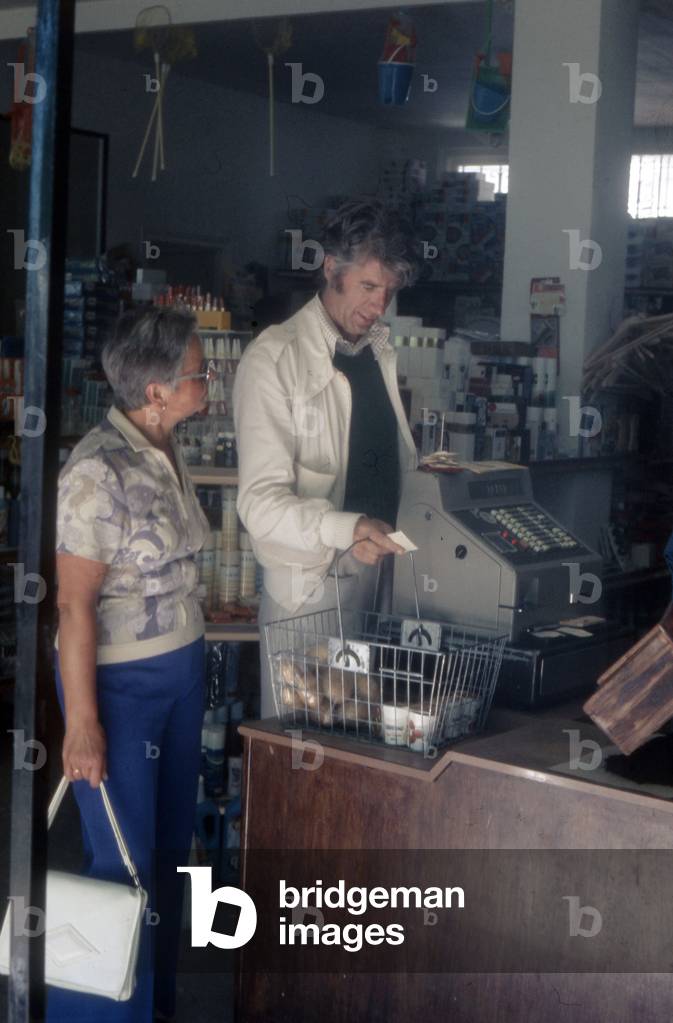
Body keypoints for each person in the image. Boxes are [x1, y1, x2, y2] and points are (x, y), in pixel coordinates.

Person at [50, 307, 213, 1023]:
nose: (209, 379)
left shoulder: (166, 446)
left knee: (170, 860)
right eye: (199, 371)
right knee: (126, 867)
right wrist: (82, 724)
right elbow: (74, 607)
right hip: (120, 688)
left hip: (180, 673)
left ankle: (157, 1008)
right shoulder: (95, 470)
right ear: (155, 389)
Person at [234, 198, 420, 718]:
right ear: (331, 269)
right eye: (368, 286)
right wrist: (349, 526)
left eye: (389, 290)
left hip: (375, 582)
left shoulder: (377, 351)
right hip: (310, 594)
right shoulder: (275, 359)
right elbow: (260, 504)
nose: (379, 303)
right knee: (303, 759)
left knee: (354, 759)